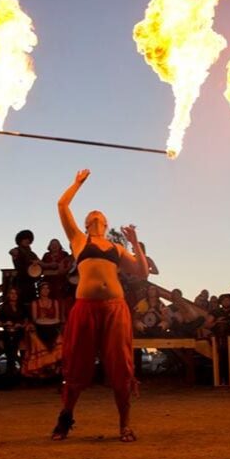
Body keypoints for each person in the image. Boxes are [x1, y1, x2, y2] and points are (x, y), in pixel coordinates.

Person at [53, 169, 149, 442]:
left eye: (100, 213)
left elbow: (142, 272)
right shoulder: (78, 240)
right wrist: (77, 183)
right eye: (91, 213)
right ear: (85, 223)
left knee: (121, 365)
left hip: (115, 308)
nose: (96, 212)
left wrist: (134, 245)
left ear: (106, 223)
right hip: (86, 307)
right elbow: (62, 205)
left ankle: (124, 425)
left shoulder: (116, 248)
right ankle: (65, 418)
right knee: (77, 364)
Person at [21, 282, 64, 380]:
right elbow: (35, 319)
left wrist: (51, 321)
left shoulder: (54, 302)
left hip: (53, 328)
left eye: (47, 288)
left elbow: (57, 318)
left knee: (59, 338)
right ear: (39, 291)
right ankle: (41, 368)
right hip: (40, 328)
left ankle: (55, 369)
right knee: (35, 338)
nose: (45, 290)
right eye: (43, 288)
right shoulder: (35, 303)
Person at [0, 286, 29, 377]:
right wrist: (5, 323)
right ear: (9, 295)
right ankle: (11, 369)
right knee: (8, 341)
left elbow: (26, 320)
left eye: (15, 293)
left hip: (19, 330)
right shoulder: (4, 307)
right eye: (11, 293)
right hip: (8, 330)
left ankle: (13, 369)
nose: (13, 295)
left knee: (14, 341)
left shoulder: (22, 306)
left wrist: (21, 325)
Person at [10, 230, 41, 306]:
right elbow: (11, 252)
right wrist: (13, 253)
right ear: (20, 240)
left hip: (30, 281)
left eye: (28, 239)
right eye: (25, 239)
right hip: (20, 281)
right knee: (20, 303)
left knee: (31, 302)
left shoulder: (32, 253)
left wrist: (37, 262)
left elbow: (40, 262)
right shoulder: (17, 250)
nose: (27, 241)